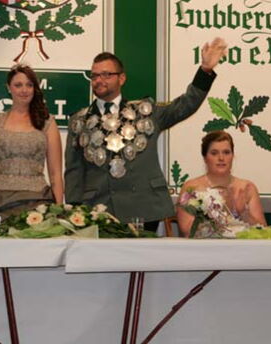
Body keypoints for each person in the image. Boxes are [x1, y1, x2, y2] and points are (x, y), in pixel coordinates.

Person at [65, 37, 227, 232]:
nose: (99, 80)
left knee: (142, 253)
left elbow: (185, 105)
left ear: (121, 78)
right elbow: (74, 171)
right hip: (98, 210)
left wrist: (205, 71)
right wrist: (75, 210)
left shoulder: (145, 112)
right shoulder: (79, 121)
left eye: (106, 74)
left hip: (143, 207)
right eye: (94, 76)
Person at [0, 64, 63, 235]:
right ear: (9, 88)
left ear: (35, 88)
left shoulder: (48, 122)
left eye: (29, 85)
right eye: (18, 85)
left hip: (37, 201)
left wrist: (59, 213)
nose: (24, 90)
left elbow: (55, 174)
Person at [176, 131, 266, 237]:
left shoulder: (247, 188)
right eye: (214, 153)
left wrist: (244, 214)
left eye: (226, 152)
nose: (221, 158)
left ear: (233, 156)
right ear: (205, 158)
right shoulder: (191, 188)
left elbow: (263, 232)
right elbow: (187, 231)